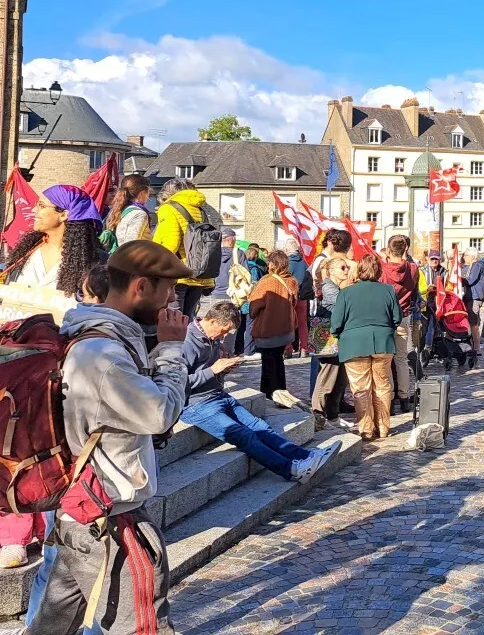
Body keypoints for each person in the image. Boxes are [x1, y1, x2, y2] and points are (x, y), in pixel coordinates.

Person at [26, 241, 190, 634]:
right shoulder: (103, 355)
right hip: (109, 515)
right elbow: (160, 414)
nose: (173, 300)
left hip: (81, 507)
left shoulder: (95, 336)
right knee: (141, 626)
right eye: (168, 289)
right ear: (140, 287)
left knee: (53, 623)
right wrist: (170, 349)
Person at [0, 184, 103, 569]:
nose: (34, 210)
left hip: (54, 365)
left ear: (64, 214)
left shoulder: (90, 263)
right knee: (9, 440)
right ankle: (12, 531)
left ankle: (47, 523)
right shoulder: (24, 250)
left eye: (43, 205)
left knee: (44, 442)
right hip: (11, 356)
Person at [181, 300, 338, 481]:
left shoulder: (212, 339)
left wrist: (222, 371)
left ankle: (304, 456)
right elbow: (179, 382)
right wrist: (212, 370)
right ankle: (292, 470)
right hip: (195, 404)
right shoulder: (187, 342)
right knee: (244, 435)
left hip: (217, 395)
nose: (223, 337)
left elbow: (209, 373)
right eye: (224, 331)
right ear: (213, 321)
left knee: (260, 426)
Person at [331, 254, 400, 441]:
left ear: (359, 270)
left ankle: (366, 429)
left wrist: (339, 335)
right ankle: (384, 428)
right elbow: (396, 318)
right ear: (378, 271)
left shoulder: (346, 292)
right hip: (382, 342)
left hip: (354, 344)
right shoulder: (388, 290)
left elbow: (336, 323)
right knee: (382, 386)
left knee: (361, 388)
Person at [151, 177, 217, 319]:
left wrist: (153, 264)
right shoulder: (200, 209)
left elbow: (171, 243)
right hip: (200, 274)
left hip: (178, 275)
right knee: (188, 319)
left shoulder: (168, 208)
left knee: (173, 318)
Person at [312, 252, 356, 431]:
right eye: (342, 268)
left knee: (340, 380)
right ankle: (317, 415)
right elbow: (343, 307)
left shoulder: (338, 287)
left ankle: (333, 416)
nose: (346, 271)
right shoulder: (329, 287)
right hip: (329, 340)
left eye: (347, 267)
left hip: (339, 339)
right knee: (327, 379)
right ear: (330, 271)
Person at [378, 235, 420, 414]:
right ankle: (404, 398)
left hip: (385, 317)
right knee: (401, 360)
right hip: (403, 315)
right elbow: (414, 290)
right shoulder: (412, 268)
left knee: (386, 361)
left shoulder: (383, 269)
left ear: (388, 250)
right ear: (405, 250)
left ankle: (390, 398)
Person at [248, 250, 297, 399]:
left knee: (268, 365)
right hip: (285, 329)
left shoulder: (267, 281)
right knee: (278, 361)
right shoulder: (292, 281)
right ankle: (281, 391)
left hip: (268, 329)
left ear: (272, 264)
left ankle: (269, 395)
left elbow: (254, 306)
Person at [284, 237, 315, 358]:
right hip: (302, 296)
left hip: (289, 297)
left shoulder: (286, 262)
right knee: (302, 323)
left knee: (288, 323)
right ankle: (304, 349)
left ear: (287, 249)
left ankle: (288, 349)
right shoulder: (304, 262)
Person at [101, 173, 151, 248]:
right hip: (131, 258)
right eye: (148, 192)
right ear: (142, 193)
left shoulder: (115, 210)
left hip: (116, 256)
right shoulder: (139, 214)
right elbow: (132, 245)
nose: (148, 196)